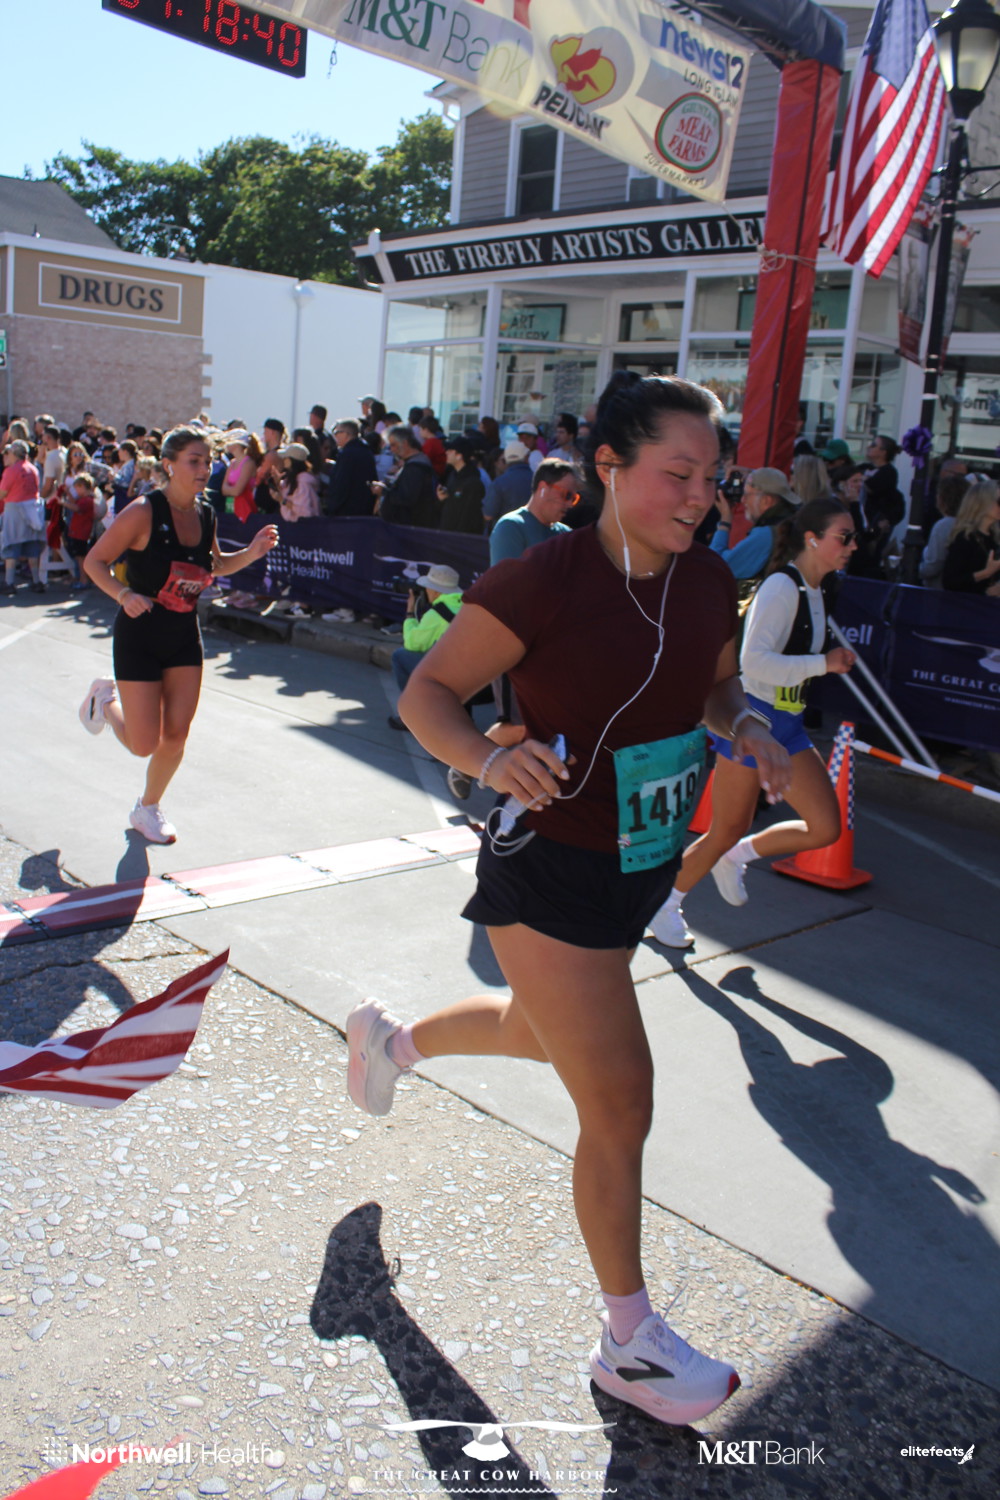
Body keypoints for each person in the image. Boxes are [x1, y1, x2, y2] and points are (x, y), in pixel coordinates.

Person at [345, 371, 794, 1428]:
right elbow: (428, 692)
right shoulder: (543, 580)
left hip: (638, 862)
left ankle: (389, 1044)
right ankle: (628, 1344)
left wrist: (744, 724)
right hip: (546, 864)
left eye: (713, 478)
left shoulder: (702, 578)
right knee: (621, 1095)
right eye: (677, 474)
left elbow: (712, 684)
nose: (701, 497)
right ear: (609, 466)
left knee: (540, 1033)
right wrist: (485, 761)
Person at [651, 498, 858, 948]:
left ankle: (739, 856)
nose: (853, 546)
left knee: (825, 827)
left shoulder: (821, 588)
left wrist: (823, 662)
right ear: (812, 539)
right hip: (753, 722)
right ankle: (666, 903)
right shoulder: (782, 587)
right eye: (845, 537)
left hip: (789, 723)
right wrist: (823, 663)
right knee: (725, 827)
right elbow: (754, 662)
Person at [80, 426, 278, 843]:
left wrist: (252, 553)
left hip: (184, 634)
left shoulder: (205, 513)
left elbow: (213, 565)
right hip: (140, 633)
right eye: (194, 461)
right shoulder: (143, 511)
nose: (204, 469)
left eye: (208, 461)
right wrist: (124, 594)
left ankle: (147, 807)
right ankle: (104, 700)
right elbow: (94, 562)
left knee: (175, 736)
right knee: (143, 744)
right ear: (169, 465)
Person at [386, 564, 464, 729]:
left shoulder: (437, 614)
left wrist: (410, 612)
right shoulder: (466, 605)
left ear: (435, 591)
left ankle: (414, 714)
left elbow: (412, 644)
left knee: (400, 656)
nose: (425, 590)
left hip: (450, 673)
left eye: (427, 587)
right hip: (473, 671)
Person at [709, 468, 799, 583]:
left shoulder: (766, 534)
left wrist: (724, 522)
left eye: (747, 495)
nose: (742, 500)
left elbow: (715, 566)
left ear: (766, 501)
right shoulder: (791, 521)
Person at [488, 457, 577, 563]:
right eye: (567, 495)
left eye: (574, 498)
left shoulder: (566, 534)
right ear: (543, 488)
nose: (570, 504)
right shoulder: (510, 527)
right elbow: (505, 574)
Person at [851, 435, 905, 578]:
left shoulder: (889, 472)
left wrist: (863, 479)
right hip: (860, 520)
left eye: (874, 445)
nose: (869, 447)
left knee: (869, 557)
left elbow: (874, 488)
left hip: (875, 524)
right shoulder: (865, 468)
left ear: (883, 452)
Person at [0, 440, 46, 594]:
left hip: (14, 511)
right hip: (32, 511)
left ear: (14, 454)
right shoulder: (33, 469)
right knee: (32, 547)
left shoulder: (11, 470)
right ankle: (36, 581)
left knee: (11, 546)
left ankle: (9, 582)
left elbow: (2, 493)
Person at [372, 426, 439, 529]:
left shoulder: (415, 467)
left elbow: (407, 497)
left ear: (405, 443)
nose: (392, 450)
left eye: (393, 445)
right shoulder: (413, 464)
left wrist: (384, 491)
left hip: (410, 527)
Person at [942, 478, 1000, 595]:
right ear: (983, 503)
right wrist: (986, 573)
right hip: (965, 604)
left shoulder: (994, 538)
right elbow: (950, 582)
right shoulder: (965, 537)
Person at [919, 470, 969, 588]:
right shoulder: (969, 523)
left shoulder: (944, 526)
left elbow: (932, 567)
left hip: (939, 590)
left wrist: (917, 568)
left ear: (942, 498)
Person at [327, 419, 377, 516]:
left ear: (346, 434)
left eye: (337, 432)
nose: (335, 436)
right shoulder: (366, 451)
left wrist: (332, 508)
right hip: (365, 510)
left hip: (347, 512)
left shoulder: (347, 454)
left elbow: (341, 484)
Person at [437, 435, 485, 533]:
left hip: (461, 537)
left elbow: (469, 516)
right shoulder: (453, 475)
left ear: (459, 455)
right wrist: (444, 499)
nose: (446, 452)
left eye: (451, 450)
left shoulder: (473, 482)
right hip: (448, 533)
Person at [483, 439, 533, 527]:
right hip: (532, 531)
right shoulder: (538, 480)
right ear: (526, 457)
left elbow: (488, 515)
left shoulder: (499, 483)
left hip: (504, 531)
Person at [275, 442, 322, 521]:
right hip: (294, 526)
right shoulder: (290, 480)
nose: (284, 460)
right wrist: (277, 484)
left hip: (307, 527)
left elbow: (305, 513)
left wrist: (282, 500)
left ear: (292, 460)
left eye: (286, 457)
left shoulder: (303, 482)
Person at [221, 430, 262, 521]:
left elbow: (237, 491)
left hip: (246, 511)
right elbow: (223, 490)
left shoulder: (248, 463)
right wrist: (232, 490)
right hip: (231, 509)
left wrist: (230, 490)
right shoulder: (232, 463)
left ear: (236, 444)